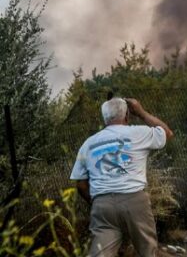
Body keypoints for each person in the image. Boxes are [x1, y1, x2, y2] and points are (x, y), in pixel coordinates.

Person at [70, 97, 174, 257]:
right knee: (148, 251)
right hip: (134, 201)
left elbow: (81, 185)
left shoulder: (88, 144)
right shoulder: (139, 132)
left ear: (104, 118)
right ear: (127, 116)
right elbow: (167, 133)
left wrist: (97, 201)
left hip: (102, 205)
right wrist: (141, 112)